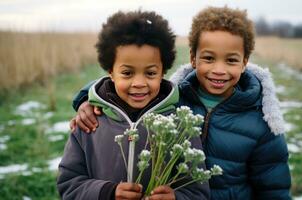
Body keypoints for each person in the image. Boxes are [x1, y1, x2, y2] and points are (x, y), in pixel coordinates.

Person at [71, 6, 292, 200]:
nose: (219, 70)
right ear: (193, 58)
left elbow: (274, 188)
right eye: (208, 58)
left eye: (231, 60)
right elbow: (129, 79)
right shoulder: (173, 99)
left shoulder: (262, 120)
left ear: (245, 62)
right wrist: (87, 100)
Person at [57, 10, 210, 200]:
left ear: (163, 71)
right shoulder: (89, 122)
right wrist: (107, 193)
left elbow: (198, 192)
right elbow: (68, 184)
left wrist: (176, 197)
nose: (139, 83)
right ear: (110, 72)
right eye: (127, 73)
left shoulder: (181, 126)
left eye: (151, 73)